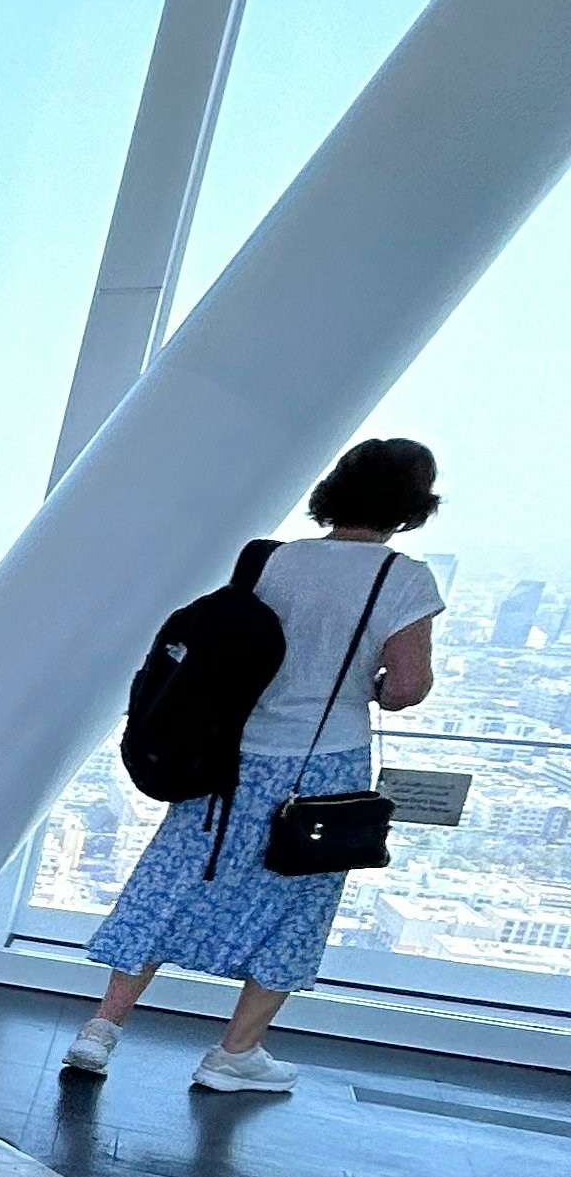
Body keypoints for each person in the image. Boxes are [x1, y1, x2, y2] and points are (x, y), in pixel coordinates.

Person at [67, 438, 445, 1091]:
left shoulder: (271, 559)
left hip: (229, 754)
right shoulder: (403, 578)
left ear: (336, 490)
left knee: (173, 880)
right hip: (325, 765)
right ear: (412, 506)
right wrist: (367, 686)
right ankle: (234, 1054)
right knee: (297, 900)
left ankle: (100, 1030)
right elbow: (407, 687)